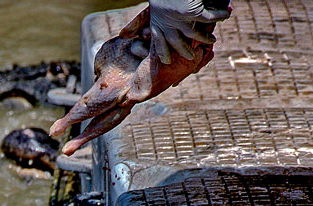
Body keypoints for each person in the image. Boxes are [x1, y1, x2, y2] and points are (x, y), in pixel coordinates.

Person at [50, 0, 230, 154]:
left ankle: (74, 133)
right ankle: (70, 127)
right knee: (117, 89)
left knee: (126, 97)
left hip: (179, 36)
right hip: (151, 40)